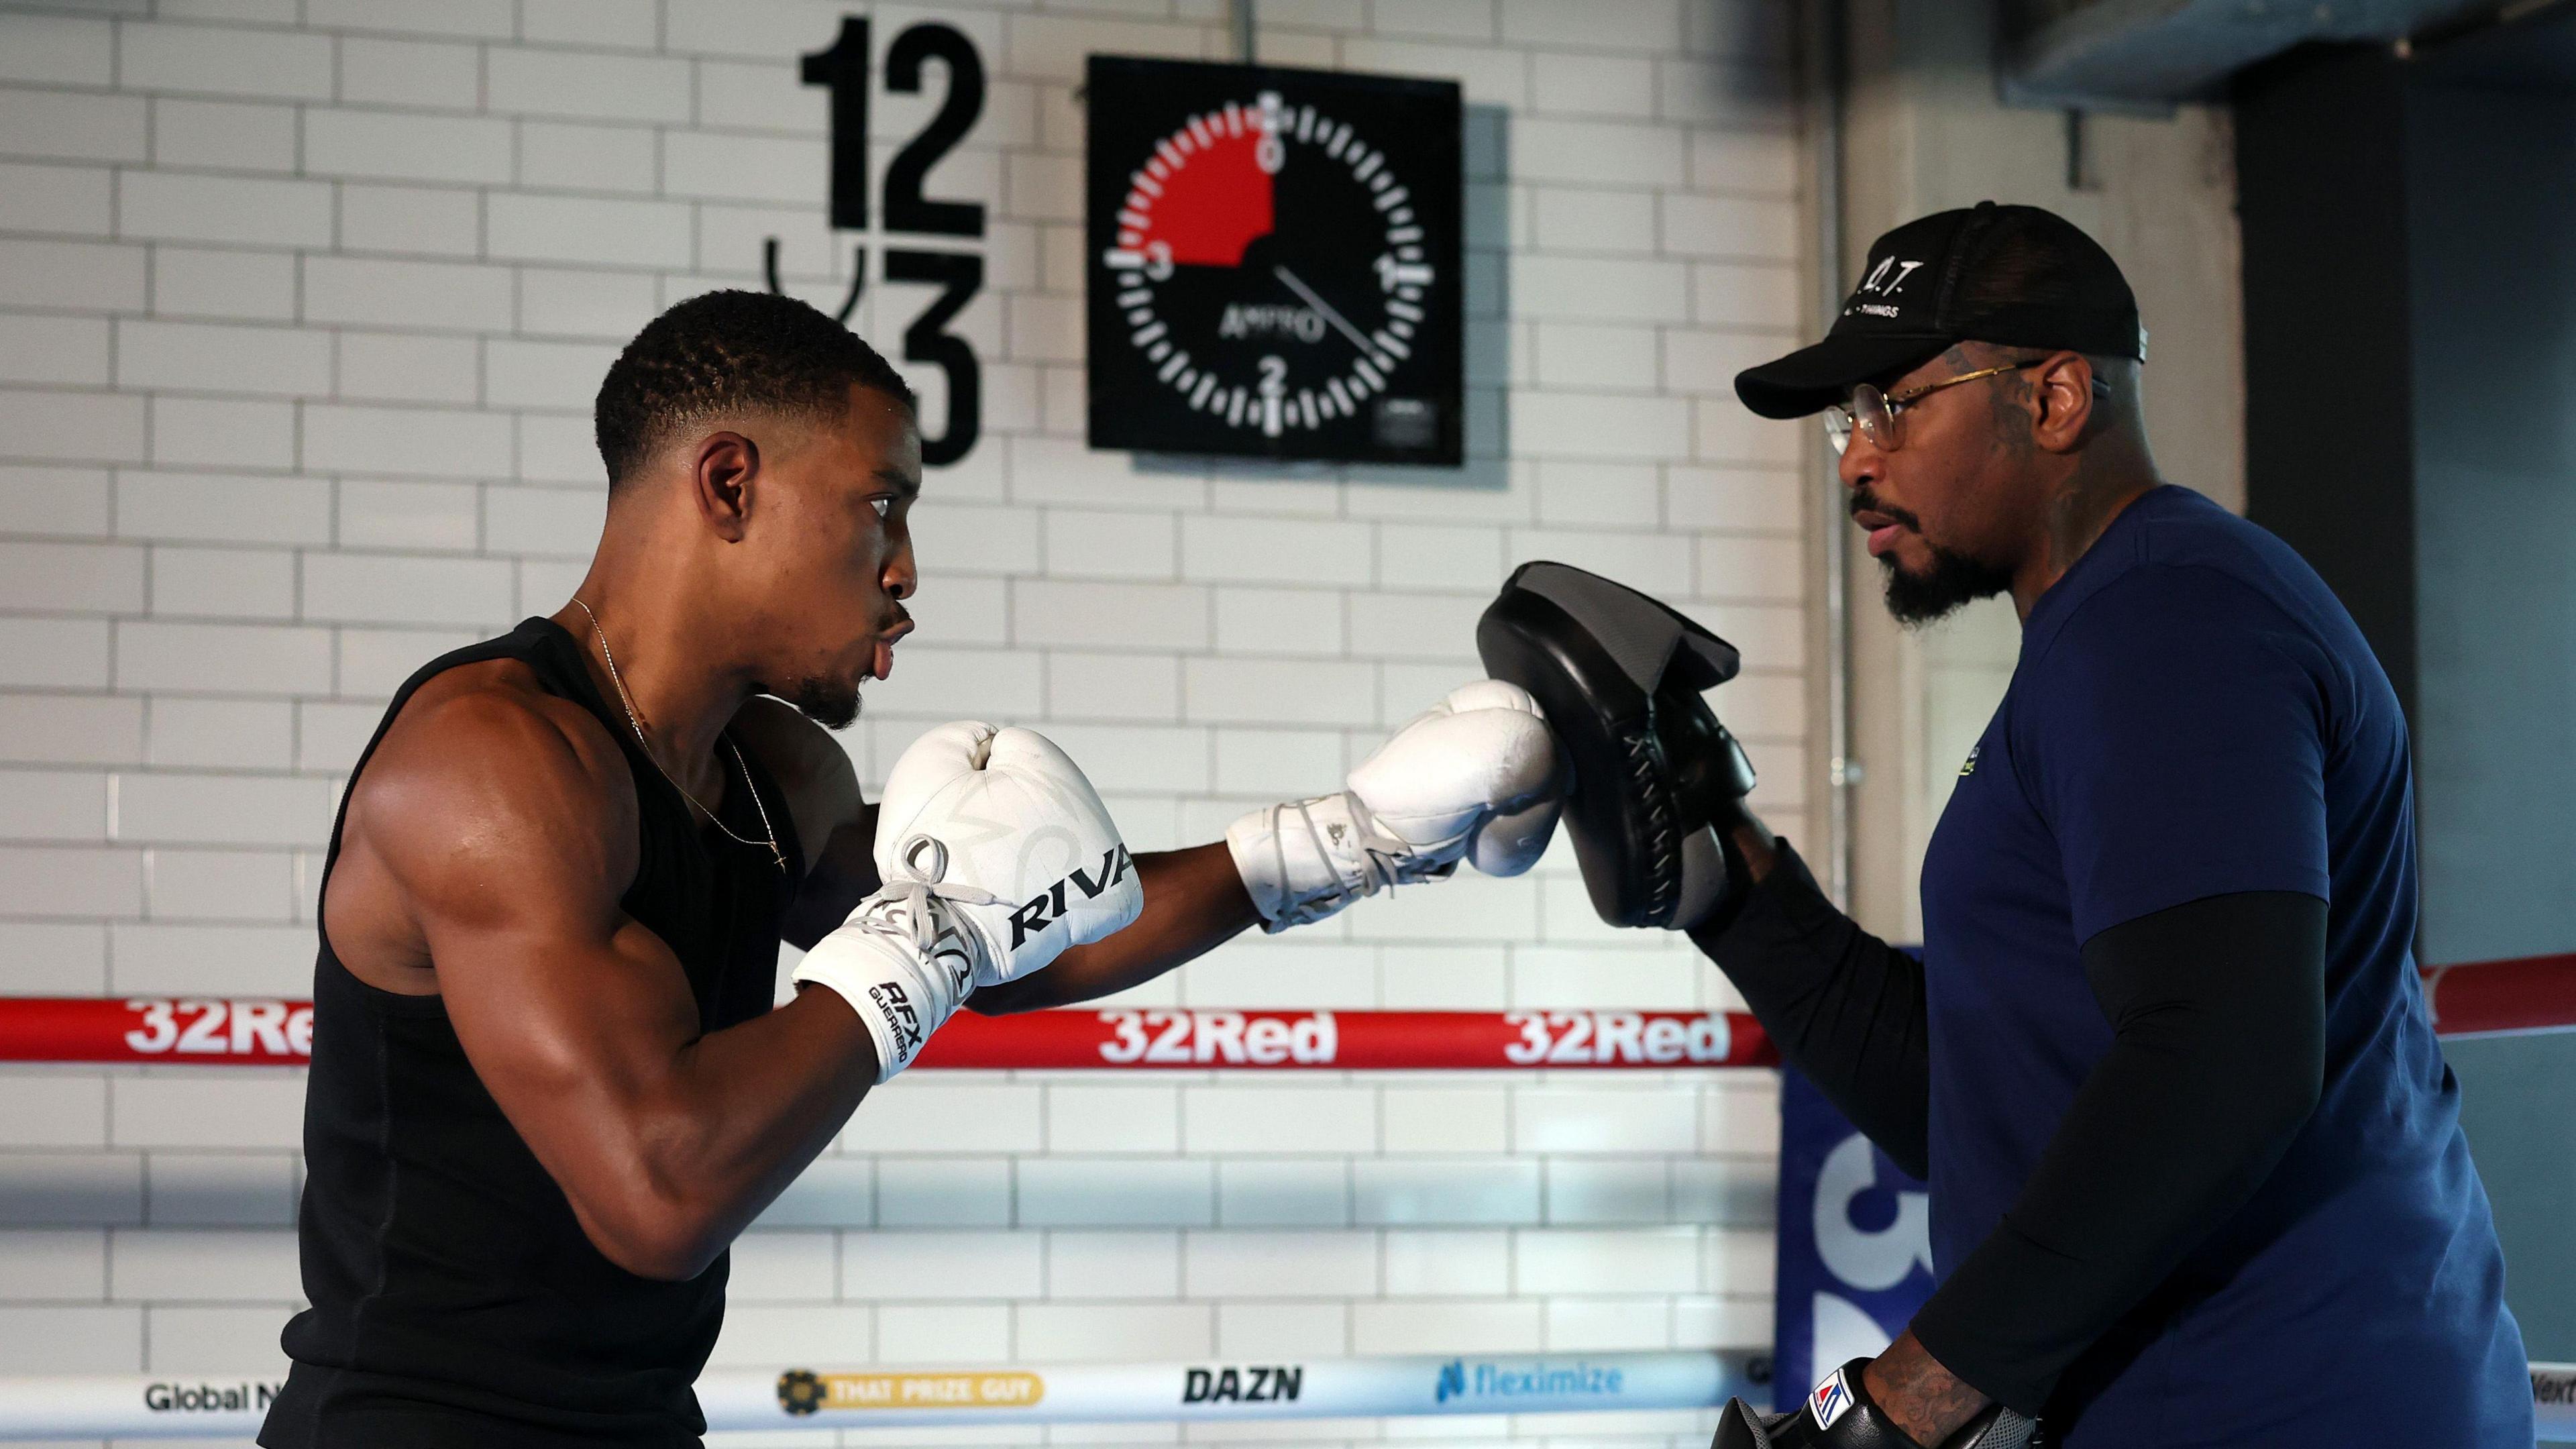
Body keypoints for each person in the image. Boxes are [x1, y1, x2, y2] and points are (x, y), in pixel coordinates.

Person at [260, 290, 1562, 1448]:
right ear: (730, 485)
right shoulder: (494, 766)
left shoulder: (771, 772)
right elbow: (658, 1187)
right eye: (880, 505)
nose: (905, 571)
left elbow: (1020, 940)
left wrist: (1350, 839)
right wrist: (929, 939)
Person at [1691, 203, 2527, 1445]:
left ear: (2057, 398)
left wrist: (1905, 1404)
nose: (1858, 458)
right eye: (1848, 419)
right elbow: (1985, 1102)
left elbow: (2221, 1060)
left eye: (1895, 405)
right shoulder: (2110, 631)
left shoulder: (2168, 622)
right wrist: (1726, 877)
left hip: (2282, 1402)